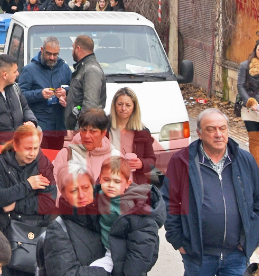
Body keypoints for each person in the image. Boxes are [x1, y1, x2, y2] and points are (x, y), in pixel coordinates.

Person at [163, 108, 259, 276]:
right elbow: (169, 202)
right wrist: (179, 241)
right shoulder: (182, 161)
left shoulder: (245, 160)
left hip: (236, 255)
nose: (218, 134)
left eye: (222, 128)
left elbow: (257, 200)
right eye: (211, 129)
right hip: (198, 255)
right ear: (199, 133)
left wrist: (252, 238)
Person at [0, 125, 56, 276]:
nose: (32, 153)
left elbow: (48, 203)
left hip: (33, 231)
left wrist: (16, 204)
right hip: (3, 232)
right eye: (28, 148)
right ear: (16, 146)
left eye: (36, 148)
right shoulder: (1, 163)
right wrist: (28, 185)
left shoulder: (44, 164)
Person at [95, 156, 165, 276]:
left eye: (117, 181)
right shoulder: (97, 196)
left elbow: (142, 245)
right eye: (107, 179)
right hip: (107, 248)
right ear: (100, 179)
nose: (111, 185)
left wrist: (131, 272)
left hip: (123, 255)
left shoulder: (131, 207)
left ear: (127, 184)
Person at [41, 165, 107, 276]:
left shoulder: (107, 218)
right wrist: (109, 270)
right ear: (63, 194)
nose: (81, 195)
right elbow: (65, 273)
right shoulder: (57, 230)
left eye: (86, 188)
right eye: (74, 190)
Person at [18, 36, 71, 150]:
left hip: (58, 126)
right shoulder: (30, 69)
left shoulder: (64, 68)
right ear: (41, 50)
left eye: (55, 54)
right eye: (48, 54)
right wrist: (40, 94)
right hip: (39, 125)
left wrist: (65, 94)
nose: (52, 57)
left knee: (55, 161)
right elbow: (19, 96)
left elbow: (73, 89)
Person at [53, 109, 121, 183]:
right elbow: (56, 187)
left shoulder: (116, 157)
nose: (87, 136)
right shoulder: (66, 154)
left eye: (93, 131)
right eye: (84, 130)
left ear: (103, 133)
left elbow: (123, 188)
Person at [107, 87, 157, 185]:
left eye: (128, 105)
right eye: (120, 104)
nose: (123, 108)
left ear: (134, 107)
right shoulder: (105, 128)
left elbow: (152, 160)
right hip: (109, 183)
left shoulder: (142, 132)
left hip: (134, 184)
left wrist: (141, 163)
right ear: (114, 106)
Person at [65, 35, 106, 131]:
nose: (72, 51)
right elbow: (80, 97)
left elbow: (90, 105)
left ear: (78, 49)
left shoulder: (91, 70)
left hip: (84, 131)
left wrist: (80, 131)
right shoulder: (83, 68)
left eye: (73, 47)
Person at [238, 40, 259, 166]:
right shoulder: (245, 65)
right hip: (250, 109)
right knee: (254, 140)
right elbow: (240, 85)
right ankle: (256, 168)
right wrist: (249, 102)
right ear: (255, 49)